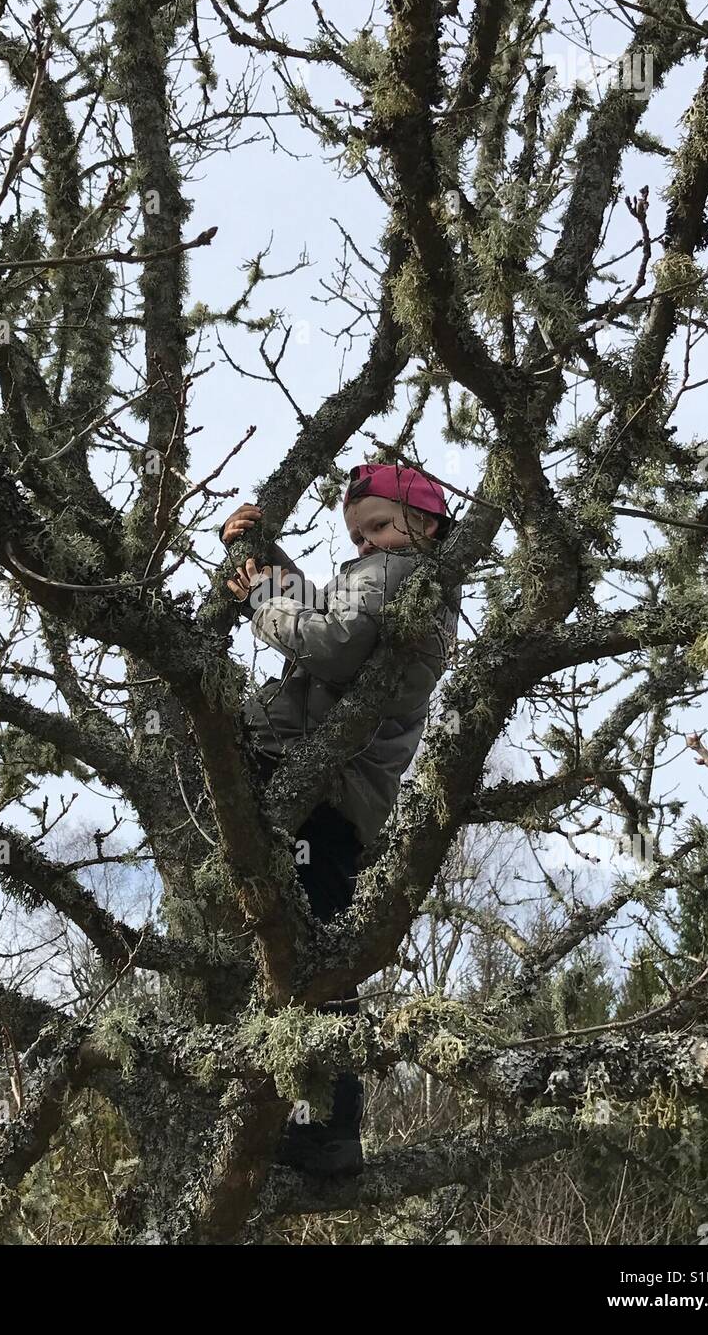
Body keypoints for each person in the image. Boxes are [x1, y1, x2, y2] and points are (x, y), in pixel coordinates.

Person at [218, 463, 461, 1177]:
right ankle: (317, 1118)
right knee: (299, 947)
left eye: (381, 526)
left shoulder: (398, 574)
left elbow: (328, 642)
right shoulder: (390, 578)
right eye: (357, 534)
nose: (367, 544)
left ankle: (328, 1123)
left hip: (325, 792)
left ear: (428, 525)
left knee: (310, 955)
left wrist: (262, 594)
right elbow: (330, 617)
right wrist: (260, 557)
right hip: (329, 792)